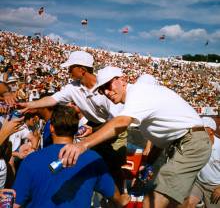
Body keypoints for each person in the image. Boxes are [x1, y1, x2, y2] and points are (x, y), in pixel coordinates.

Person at [58, 66, 212, 208]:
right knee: (172, 202)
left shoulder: (138, 92)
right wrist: (148, 163)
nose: (106, 92)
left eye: (108, 86)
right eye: (102, 90)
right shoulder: (141, 99)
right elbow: (161, 138)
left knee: (151, 203)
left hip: (190, 143)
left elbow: (122, 122)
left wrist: (82, 145)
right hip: (185, 144)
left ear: (122, 80)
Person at [19, 51, 127, 193]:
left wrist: (94, 130)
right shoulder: (72, 87)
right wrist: (31, 104)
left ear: (82, 70)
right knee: (92, 163)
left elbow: (116, 122)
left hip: (115, 126)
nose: (68, 70)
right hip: (95, 124)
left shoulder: (106, 87)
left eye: (71, 67)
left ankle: (119, 198)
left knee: (112, 166)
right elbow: (53, 99)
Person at [13, 105, 130, 208]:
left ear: (51, 128)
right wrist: (121, 200)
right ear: (76, 129)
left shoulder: (31, 159)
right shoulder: (93, 159)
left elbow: (16, 202)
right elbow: (111, 191)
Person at [185, 116, 220, 208]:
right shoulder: (196, 144)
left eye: (201, 129)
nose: (196, 132)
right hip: (199, 183)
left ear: (211, 131)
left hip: (215, 187)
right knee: (188, 204)